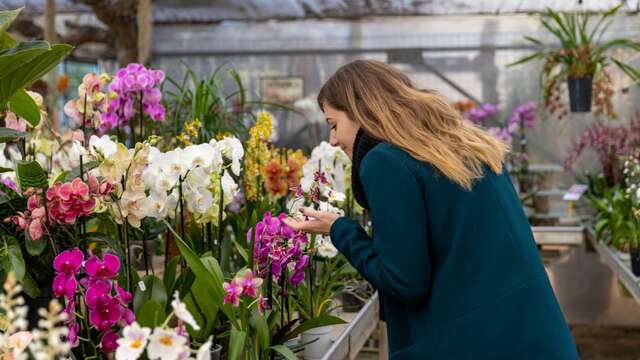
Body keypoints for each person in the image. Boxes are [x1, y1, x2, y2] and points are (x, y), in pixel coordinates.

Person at [282, 60, 579, 359]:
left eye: (334, 125)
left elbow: (405, 281)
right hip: (533, 335)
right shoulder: (464, 146)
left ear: (361, 110)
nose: (332, 140)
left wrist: (340, 229)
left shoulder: (385, 161)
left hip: (475, 343)